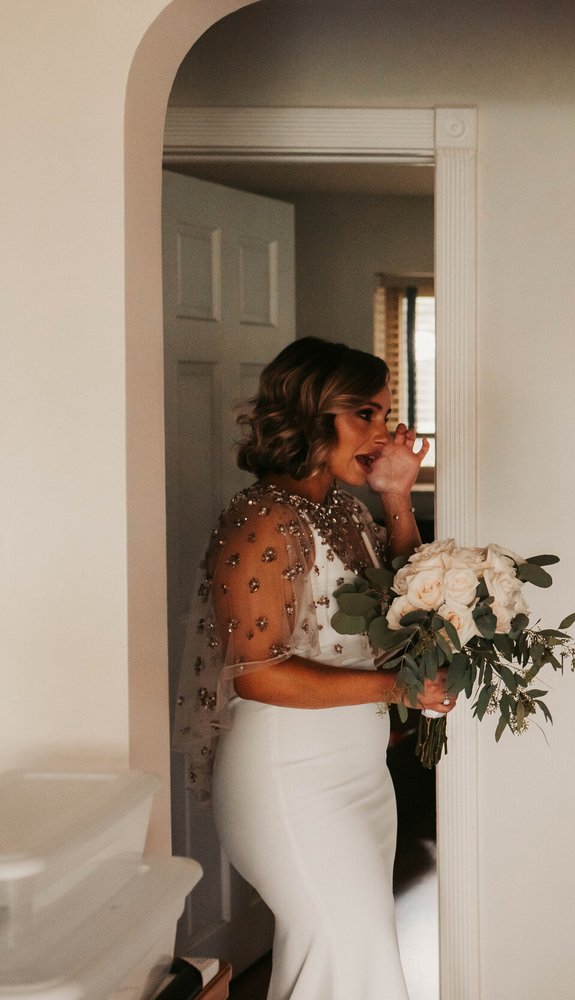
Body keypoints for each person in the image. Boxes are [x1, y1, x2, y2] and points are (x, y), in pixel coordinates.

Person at [173, 337, 453, 1000]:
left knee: (351, 960)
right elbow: (256, 675)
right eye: (365, 414)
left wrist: (396, 495)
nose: (382, 432)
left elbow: (407, 605)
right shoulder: (260, 520)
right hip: (289, 778)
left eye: (385, 413)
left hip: (359, 774)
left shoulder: (342, 509)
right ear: (310, 414)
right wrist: (399, 687)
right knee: (343, 951)